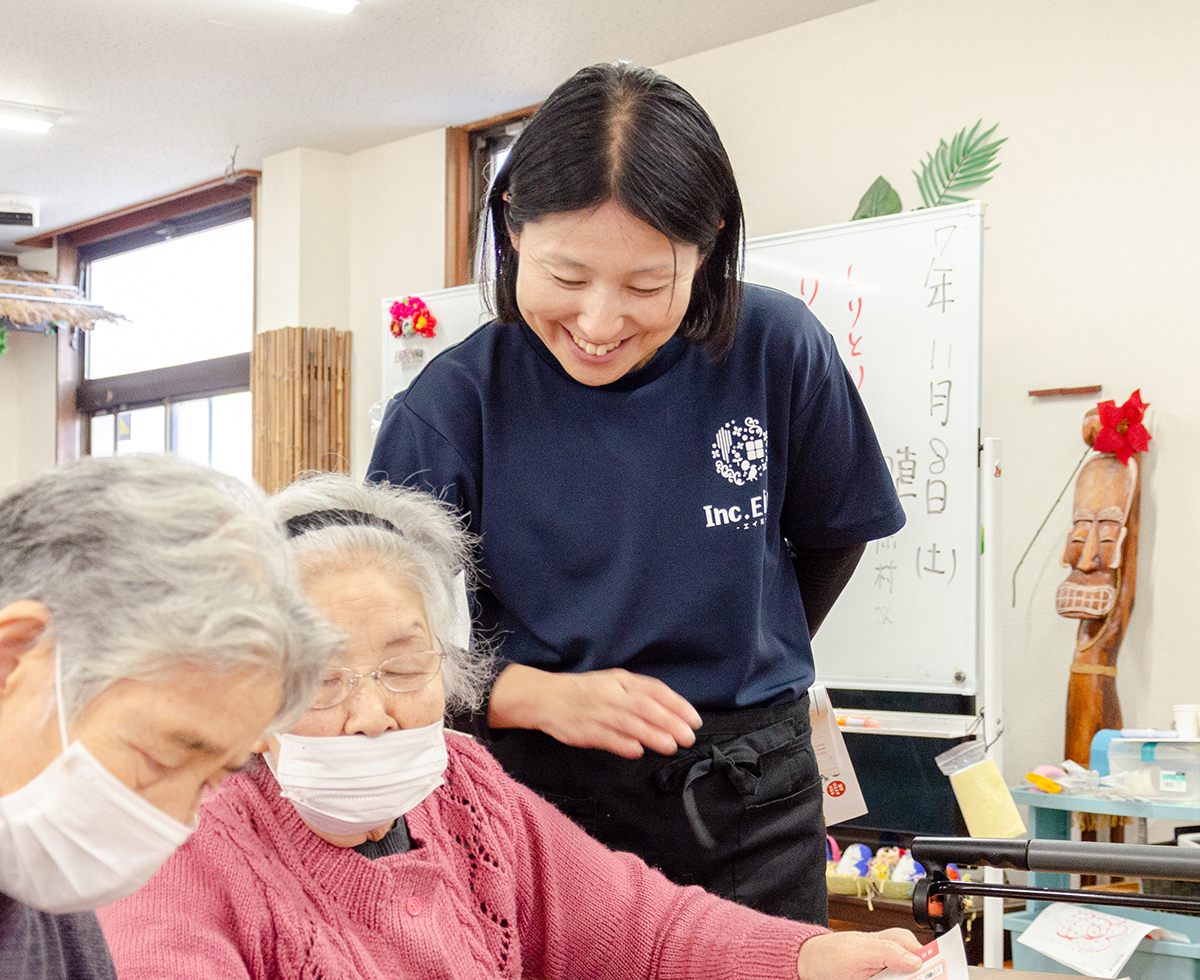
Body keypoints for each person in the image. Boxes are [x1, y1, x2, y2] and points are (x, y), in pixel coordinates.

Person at [367, 62, 905, 923]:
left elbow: (836, 533)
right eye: (567, 278)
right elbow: (376, 646)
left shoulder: (775, 349)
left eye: (647, 286)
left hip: (749, 798)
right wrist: (535, 695)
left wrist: (749, 648)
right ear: (511, 229)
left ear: (710, 242)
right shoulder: (452, 406)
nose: (599, 323)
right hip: (540, 801)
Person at [98, 474, 922, 980]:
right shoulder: (183, 844)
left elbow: (642, 929)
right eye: (318, 680)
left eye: (403, 666)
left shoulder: (465, 786)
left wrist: (810, 959)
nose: (373, 715)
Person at [0, 455, 339, 980]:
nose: (178, 823)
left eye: (209, 782)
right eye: (161, 758)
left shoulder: (34, 888)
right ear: (15, 657)